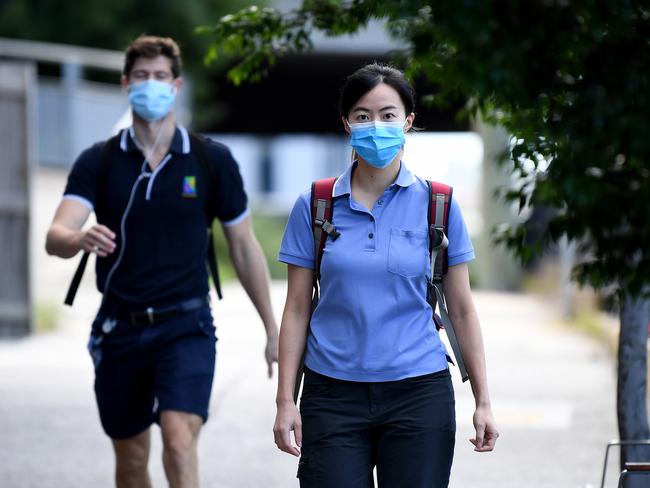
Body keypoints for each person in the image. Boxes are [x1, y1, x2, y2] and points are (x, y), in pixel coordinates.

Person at [45, 35, 279, 488]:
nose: (150, 85)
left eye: (159, 77)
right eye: (141, 77)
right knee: (132, 459)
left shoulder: (212, 160)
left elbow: (245, 248)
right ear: (125, 85)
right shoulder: (100, 161)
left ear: (175, 86)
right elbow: (55, 237)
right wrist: (78, 236)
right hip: (119, 327)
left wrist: (271, 327)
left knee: (178, 441)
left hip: (186, 325)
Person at [272, 63, 499, 487]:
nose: (375, 125)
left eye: (388, 115)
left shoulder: (440, 205)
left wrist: (483, 399)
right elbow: (298, 308)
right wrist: (286, 401)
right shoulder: (316, 205)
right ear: (346, 124)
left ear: (408, 122)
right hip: (332, 393)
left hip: (419, 393)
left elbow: (463, 310)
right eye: (362, 116)